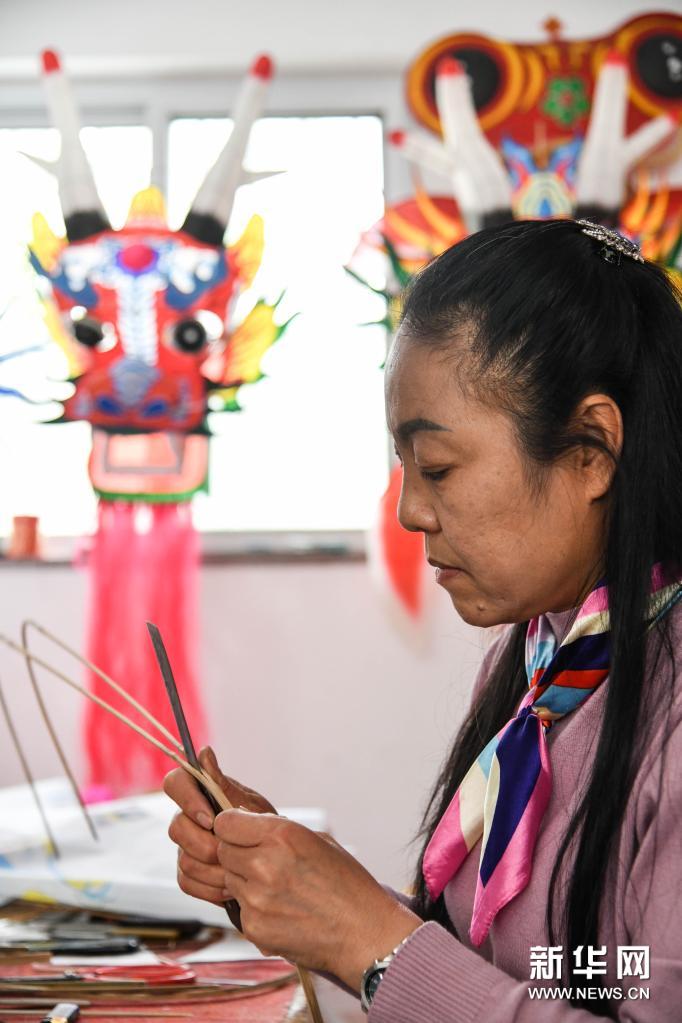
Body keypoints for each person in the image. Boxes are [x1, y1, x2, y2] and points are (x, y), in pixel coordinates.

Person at [163, 218, 682, 1022]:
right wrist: (310, 897)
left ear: (591, 449)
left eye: (437, 466)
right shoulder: (541, 661)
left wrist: (365, 935)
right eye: (405, 467)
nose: (409, 510)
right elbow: (497, 970)